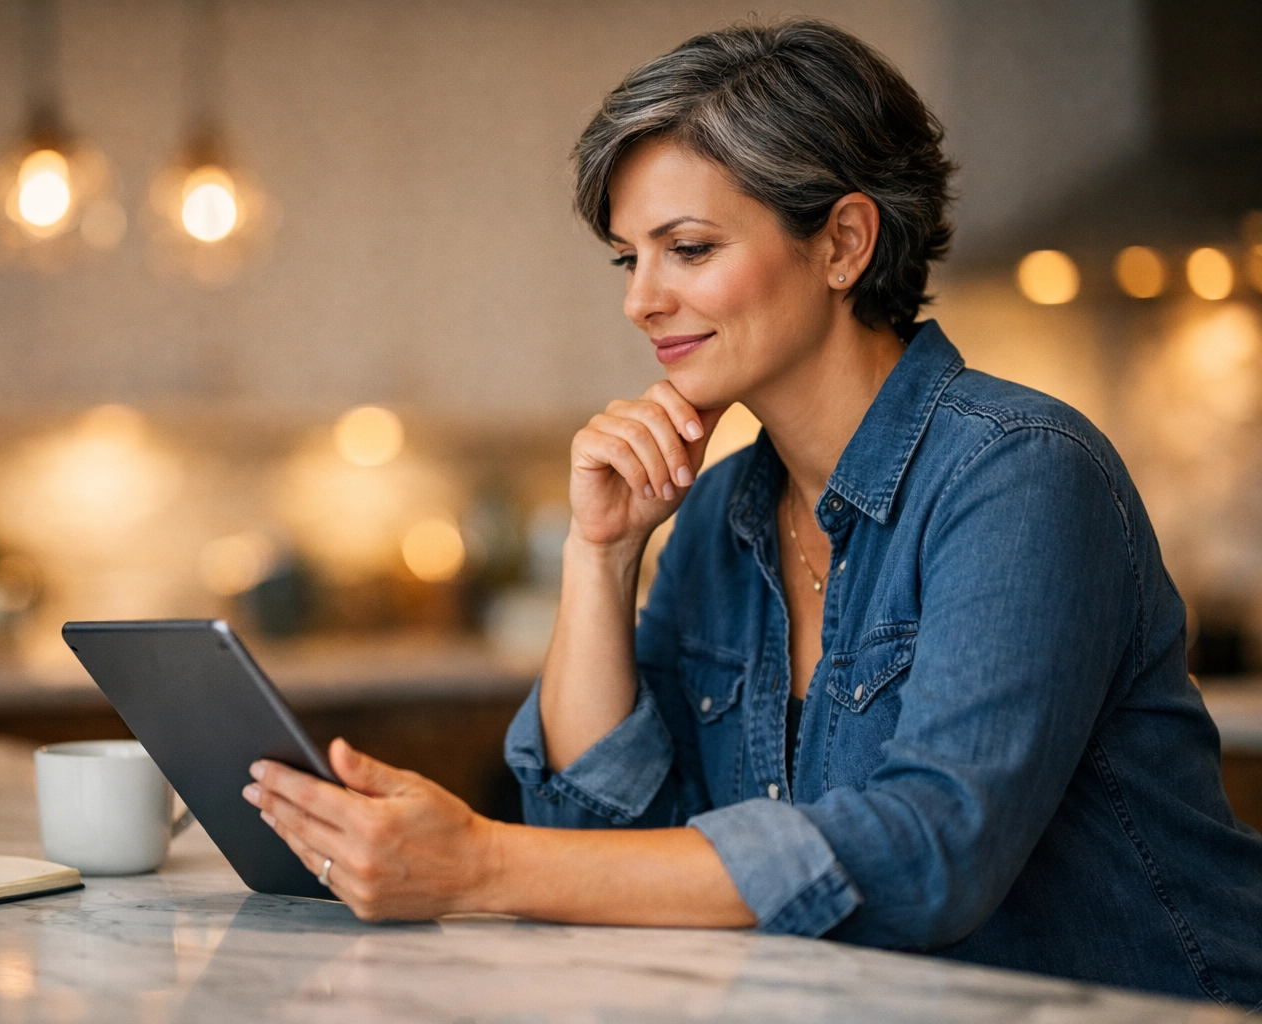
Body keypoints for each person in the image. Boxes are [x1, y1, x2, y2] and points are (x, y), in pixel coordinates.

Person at [242, 19, 1262, 1006]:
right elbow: (605, 853)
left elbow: (936, 847)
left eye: (686, 247)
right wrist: (601, 555)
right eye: (627, 258)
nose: (641, 299)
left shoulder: (1021, 473)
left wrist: (478, 862)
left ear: (844, 243)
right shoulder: (725, 506)